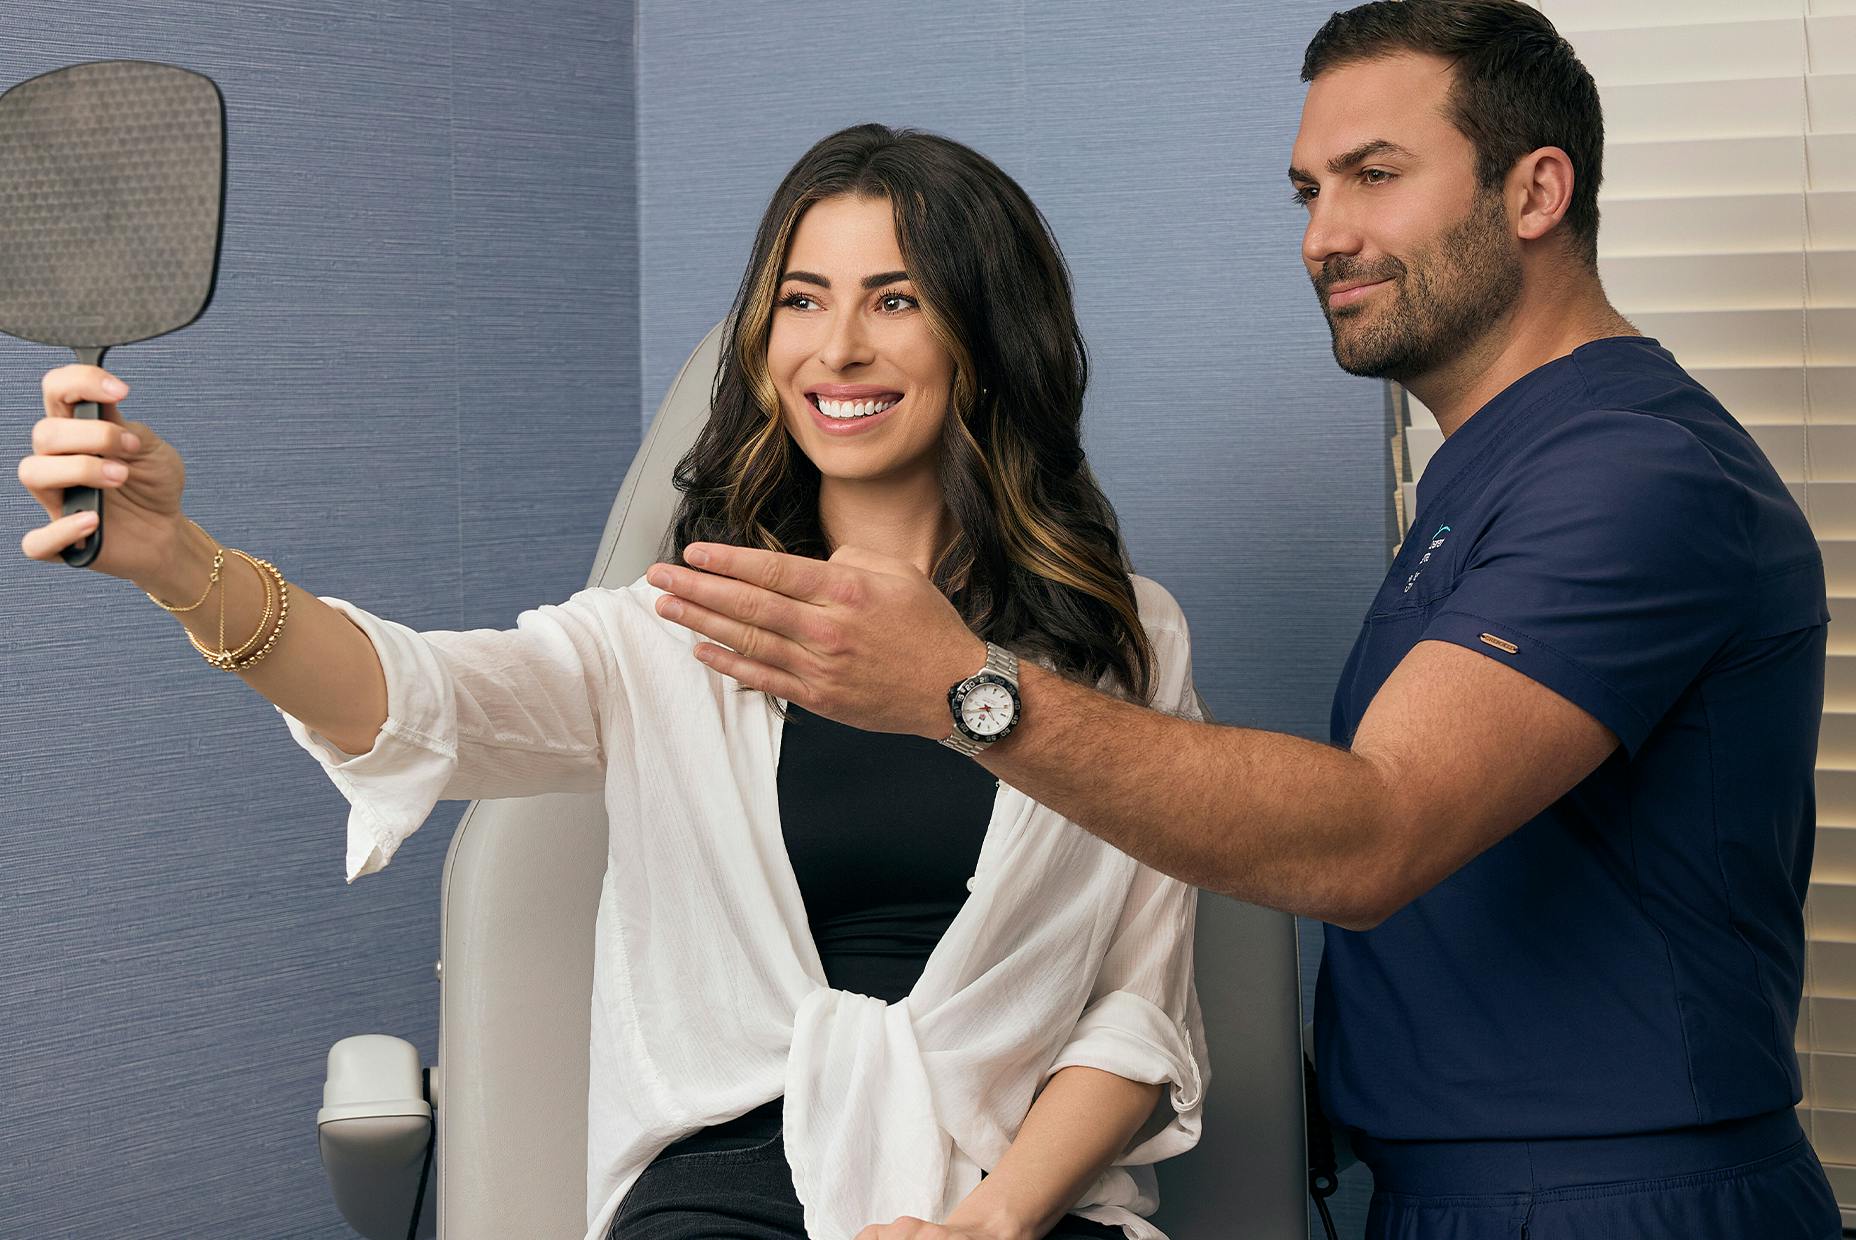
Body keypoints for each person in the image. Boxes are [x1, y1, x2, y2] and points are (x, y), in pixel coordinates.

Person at [642, 4, 1842, 1238]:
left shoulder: (1628, 475)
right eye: (1305, 191)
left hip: (1617, 1197)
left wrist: (960, 691)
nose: (1325, 235)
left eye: (1373, 176)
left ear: (1535, 191)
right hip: (1459, 1188)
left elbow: (1372, 835)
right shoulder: (1490, 482)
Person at [16, 125, 1210, 1240]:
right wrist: (177, 562)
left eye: (893, 299)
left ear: (987, 337)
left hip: (1021, 1198)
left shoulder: (1125, 643)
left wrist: (986, 1223)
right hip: (725, 1191)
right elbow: (411, 696)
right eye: (802, 300)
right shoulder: (669, 633)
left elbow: (1134, 1009)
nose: (836, 347)